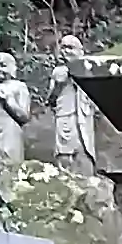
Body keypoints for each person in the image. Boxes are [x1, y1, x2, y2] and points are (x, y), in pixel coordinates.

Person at [48, 35, 98, 176]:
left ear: (80, 51)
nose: (66, 51)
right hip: (65, 115)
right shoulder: (58, 72)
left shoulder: (87, 70)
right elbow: (51, 101)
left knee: (84, 151)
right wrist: (59, 84)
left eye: (70, 48)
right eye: (63, 47)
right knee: (64, 153)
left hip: (84, 115)